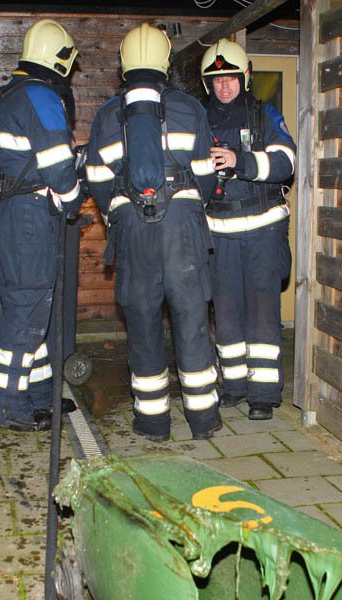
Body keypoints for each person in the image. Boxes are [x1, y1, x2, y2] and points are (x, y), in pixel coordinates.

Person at [86, 23, 222, 442]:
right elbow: (205, 175)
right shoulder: (189, 108)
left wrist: (118, 213)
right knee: (191, 319)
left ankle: (152, 421)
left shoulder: (107, 114)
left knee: (142, 321)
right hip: (181, 228)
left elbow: (97, 179)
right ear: (165, 61)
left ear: (123, 63)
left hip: (132, 228)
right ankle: (203, 419)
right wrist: (188, 207)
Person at [0, 19, 83, 431]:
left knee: (29, 310)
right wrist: (75, 198)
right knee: (27, 313)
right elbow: (59, 167)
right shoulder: (40, 95)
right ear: (60, 59)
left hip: (7, 214)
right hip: (29, 216)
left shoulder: (6, 95)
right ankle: (8, 407)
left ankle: (40, 396)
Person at [200, 38, 296, 420]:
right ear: (208, 83)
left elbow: (286, 162)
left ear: (245, 78)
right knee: (225, 312)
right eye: (217, 79)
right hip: (218, 232)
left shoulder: (263, 114)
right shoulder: (199, 120)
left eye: (231, 78)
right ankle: (235, 386)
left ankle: (264, 395)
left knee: (261, 312)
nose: (224, 86)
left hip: (262, 230)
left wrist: (240, 161)